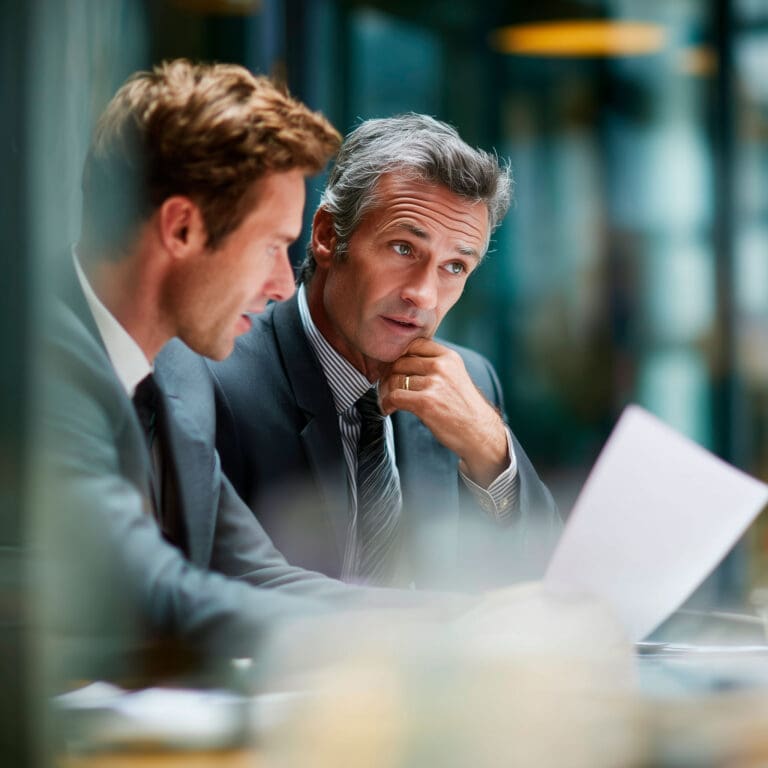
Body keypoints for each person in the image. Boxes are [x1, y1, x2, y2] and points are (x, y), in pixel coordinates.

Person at [38, 62, 460, 682]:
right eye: (270, 246)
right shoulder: (35, 366)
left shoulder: (178, 370)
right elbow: (152, 592)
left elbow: (253, 570)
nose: (281, 285)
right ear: (181, 227)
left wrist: (460, 622)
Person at [208, 114, 561, 590]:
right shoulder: (219, 378)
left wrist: (491, 451)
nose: (425, 295)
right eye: (402, 248)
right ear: (330, 235)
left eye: (455, 266)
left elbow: (544, 579)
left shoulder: (471, 381)